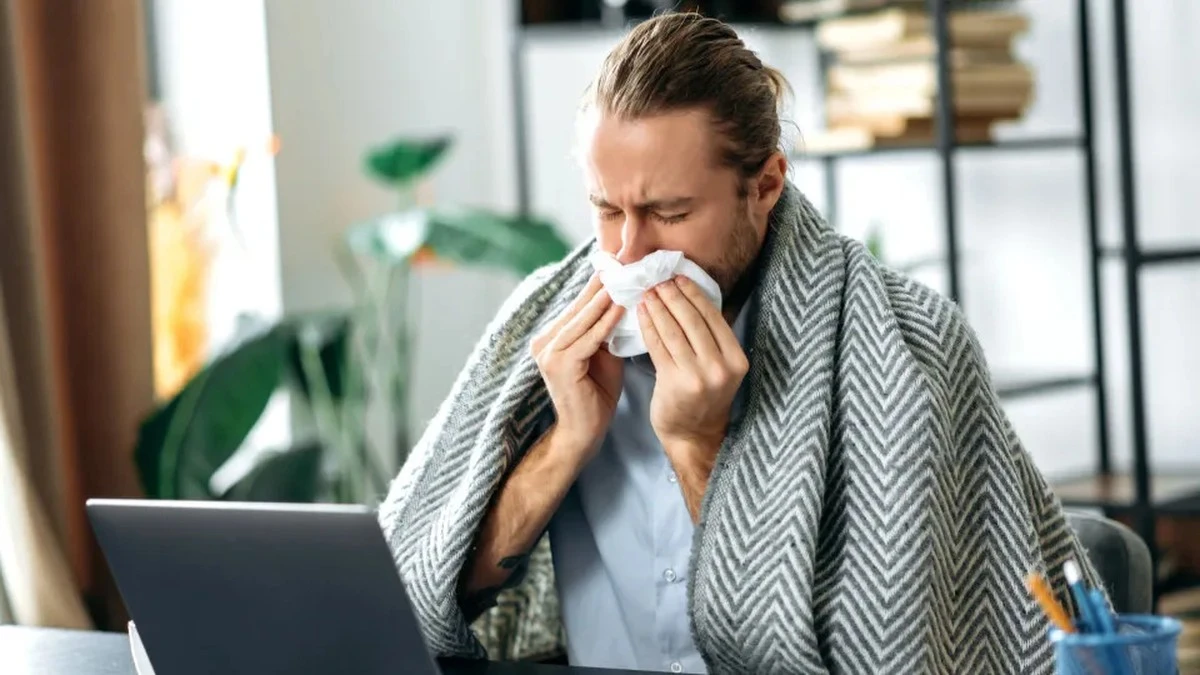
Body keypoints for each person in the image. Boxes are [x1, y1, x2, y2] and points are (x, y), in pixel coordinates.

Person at [379, 11, 1104, 674]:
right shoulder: (545, 326)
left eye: (670, 211)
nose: (630, 251)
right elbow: (407, 606)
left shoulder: (907, 345)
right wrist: (563, 444)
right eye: (606, 209)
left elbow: (873, 651)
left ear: (764, 186)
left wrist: (698, 447)